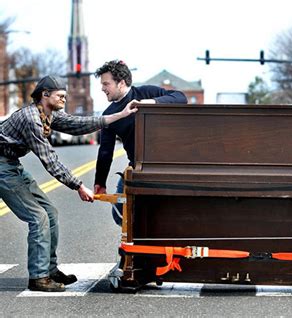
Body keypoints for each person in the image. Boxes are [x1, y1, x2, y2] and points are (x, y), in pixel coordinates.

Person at [0, 75, 138, 292]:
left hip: (11, 164)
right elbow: (50, 161)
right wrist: (79, 186)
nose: (64, 100)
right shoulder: (31, 119)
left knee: (50, 213)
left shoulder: (49, 114)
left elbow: (77, 124)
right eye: (60, 96)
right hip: (2, 168)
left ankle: (49, 270)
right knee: (38, 217)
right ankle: (38, 277)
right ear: (45, 95)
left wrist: (118, 115)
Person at [93, 60, 188, 226]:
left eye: (106, 84)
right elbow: (105, 152)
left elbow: (181, 97)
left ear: (121, 83)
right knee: (119, 215)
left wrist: (149, 103)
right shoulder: (109, 114)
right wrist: (100, 182)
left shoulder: (146, 92)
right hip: (136, 167)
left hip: (165, 165)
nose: (102, 88)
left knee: (164, 214)